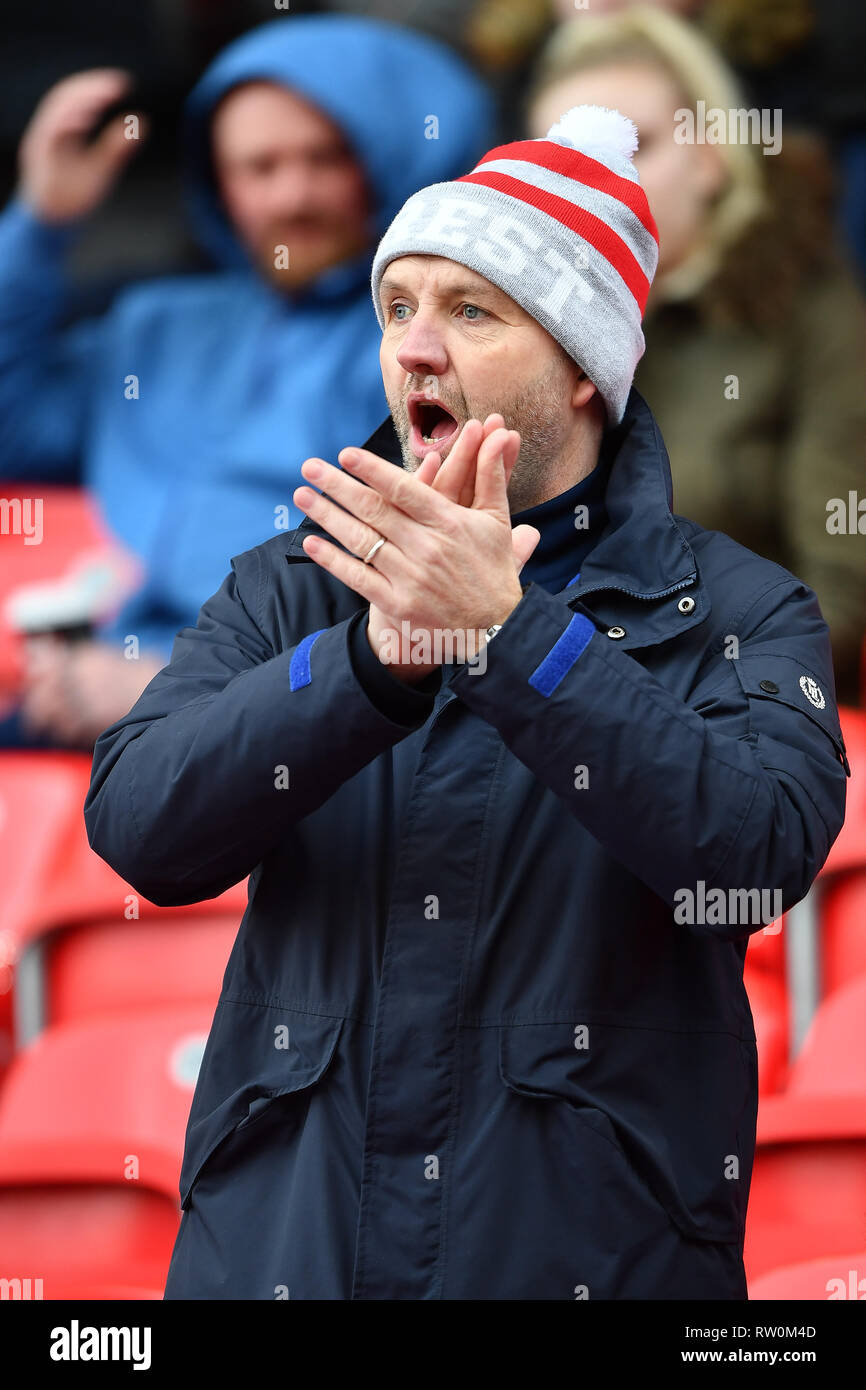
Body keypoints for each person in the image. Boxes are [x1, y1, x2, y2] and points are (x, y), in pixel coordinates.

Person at [85, 105, 847, 1300]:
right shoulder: (296, 584)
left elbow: (752, 855)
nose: (414, 348)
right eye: (398, 308)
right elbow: (140, 825)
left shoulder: (741, 608)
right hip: (284, 1256)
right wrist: (368, 668)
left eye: (470, 310)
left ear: (583, 371)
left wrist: (510, 638)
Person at [0, 14, 493, 747]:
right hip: (91, 707)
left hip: (300, 743)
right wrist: (42, 223)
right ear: (219, 184)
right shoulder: (159, 326)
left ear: (394, 158)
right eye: (258, 168)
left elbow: (436, 619)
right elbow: (15, 425)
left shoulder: (436, 348)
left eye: (325, 158)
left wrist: (170, 690)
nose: (292, 196)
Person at [525, 5, 866, 704]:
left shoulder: (809, 309)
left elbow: (840, 600)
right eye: (569, 160)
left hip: (726, 721)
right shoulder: (514, 328)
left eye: (637, 144)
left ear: (710, 158)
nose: (602, 184)